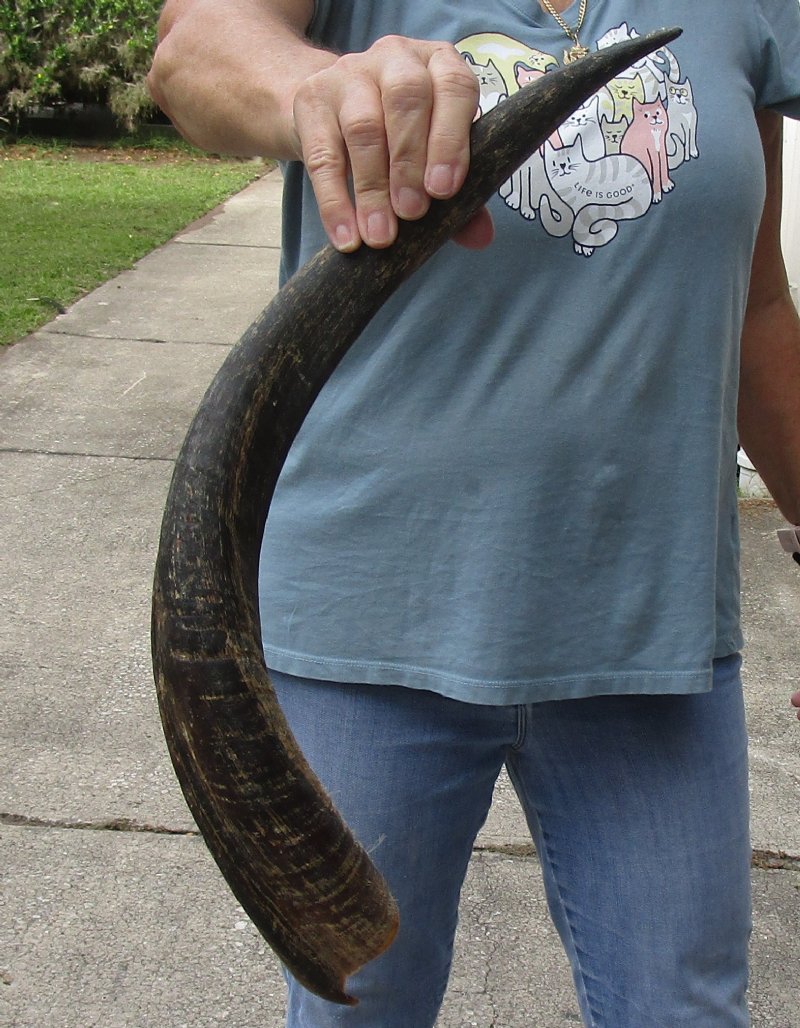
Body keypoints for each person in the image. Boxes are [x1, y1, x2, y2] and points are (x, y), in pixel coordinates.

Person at [147, 1, 800, 1024]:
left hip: (649, 628)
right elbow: (194, 48)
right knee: (359, 1008)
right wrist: (313, 90)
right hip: (367, 623)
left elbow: (757, 309)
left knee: (683, 1010)